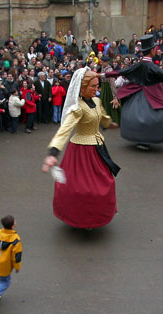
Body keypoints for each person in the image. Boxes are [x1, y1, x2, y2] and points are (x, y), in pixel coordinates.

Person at [41, 68, 119, 229]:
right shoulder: (78, 108)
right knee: (81, 188)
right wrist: (53, 153)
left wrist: (108, 123)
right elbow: (64, 130)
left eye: (98, 86)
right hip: (81, 152)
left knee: (105, 182)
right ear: (82, 88)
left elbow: (102, 116)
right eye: (93, 86)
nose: (96, 90)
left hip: (97, 148)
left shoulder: (96, 101)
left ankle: (96, 216)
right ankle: (82, 218)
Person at [102, 34, 163, 150]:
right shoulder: (152, 67)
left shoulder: (139, 65)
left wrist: (101, 74)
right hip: (152, 94)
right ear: (153, 50)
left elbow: (120, 72)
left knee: (136, 116)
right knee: (154, 116)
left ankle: (140, 139)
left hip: (138, 94)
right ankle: (146, 140)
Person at [99, 55, 121, 125]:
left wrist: (114, 96)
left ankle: (114, 120)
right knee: (103, 104)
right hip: (104, 88)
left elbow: (112, 84)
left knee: (110, 104)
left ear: (107, 62)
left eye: (103, 61)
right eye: (102, 61)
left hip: (109, 89)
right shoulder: (103, 68)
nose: (102, 62)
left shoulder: (109, 70)